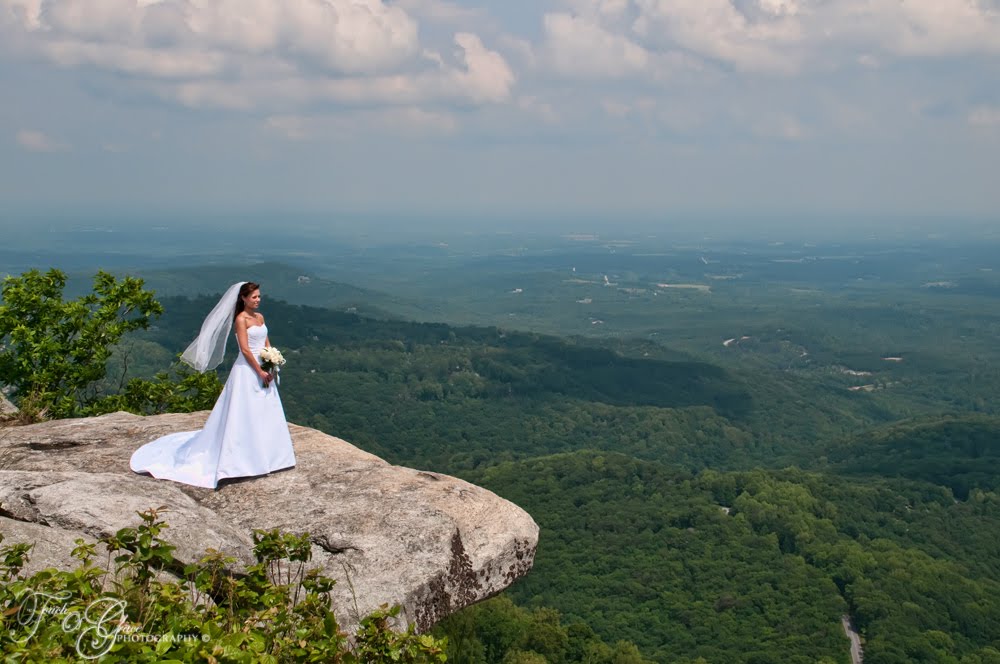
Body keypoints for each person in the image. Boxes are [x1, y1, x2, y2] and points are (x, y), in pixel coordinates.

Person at [130, 282, 296, 489]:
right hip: (248, 369)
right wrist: (259, 370)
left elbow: (266, 343)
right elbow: (245, 349)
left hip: (263, 366)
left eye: (259, 296)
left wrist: (272, 362)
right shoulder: (241, 319)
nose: (258, 300)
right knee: (244, 411)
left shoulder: (260, 318)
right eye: (254, 297)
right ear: (243, 298)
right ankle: (243, 458)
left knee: (264, 411)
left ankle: (272, 455)